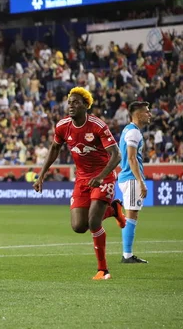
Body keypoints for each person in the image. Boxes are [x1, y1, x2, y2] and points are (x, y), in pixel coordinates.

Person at [34, 87, 126, 280]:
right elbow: (54, 148)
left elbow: (116, 155)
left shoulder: (97, 126)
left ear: (86, 105)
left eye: (76, 102)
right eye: (69, 103)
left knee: (93, 222)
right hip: (82, 179)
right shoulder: (62, 126)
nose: (71, 106)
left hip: (104, 176)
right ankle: (114, 210)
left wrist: (101, 176)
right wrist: (41, 174)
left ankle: (103, 270)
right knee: (78, 226)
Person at [118, 101, 151, 264]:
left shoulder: (129, 130)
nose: (149, 114)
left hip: (128, 177)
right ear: (138, 114)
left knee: (132, 214)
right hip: (131, 178)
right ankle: (127, 255)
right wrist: (141, 181)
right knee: (131, 214)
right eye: (147, 111)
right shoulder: (134, 133)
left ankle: (128, 254)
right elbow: (131, 158)